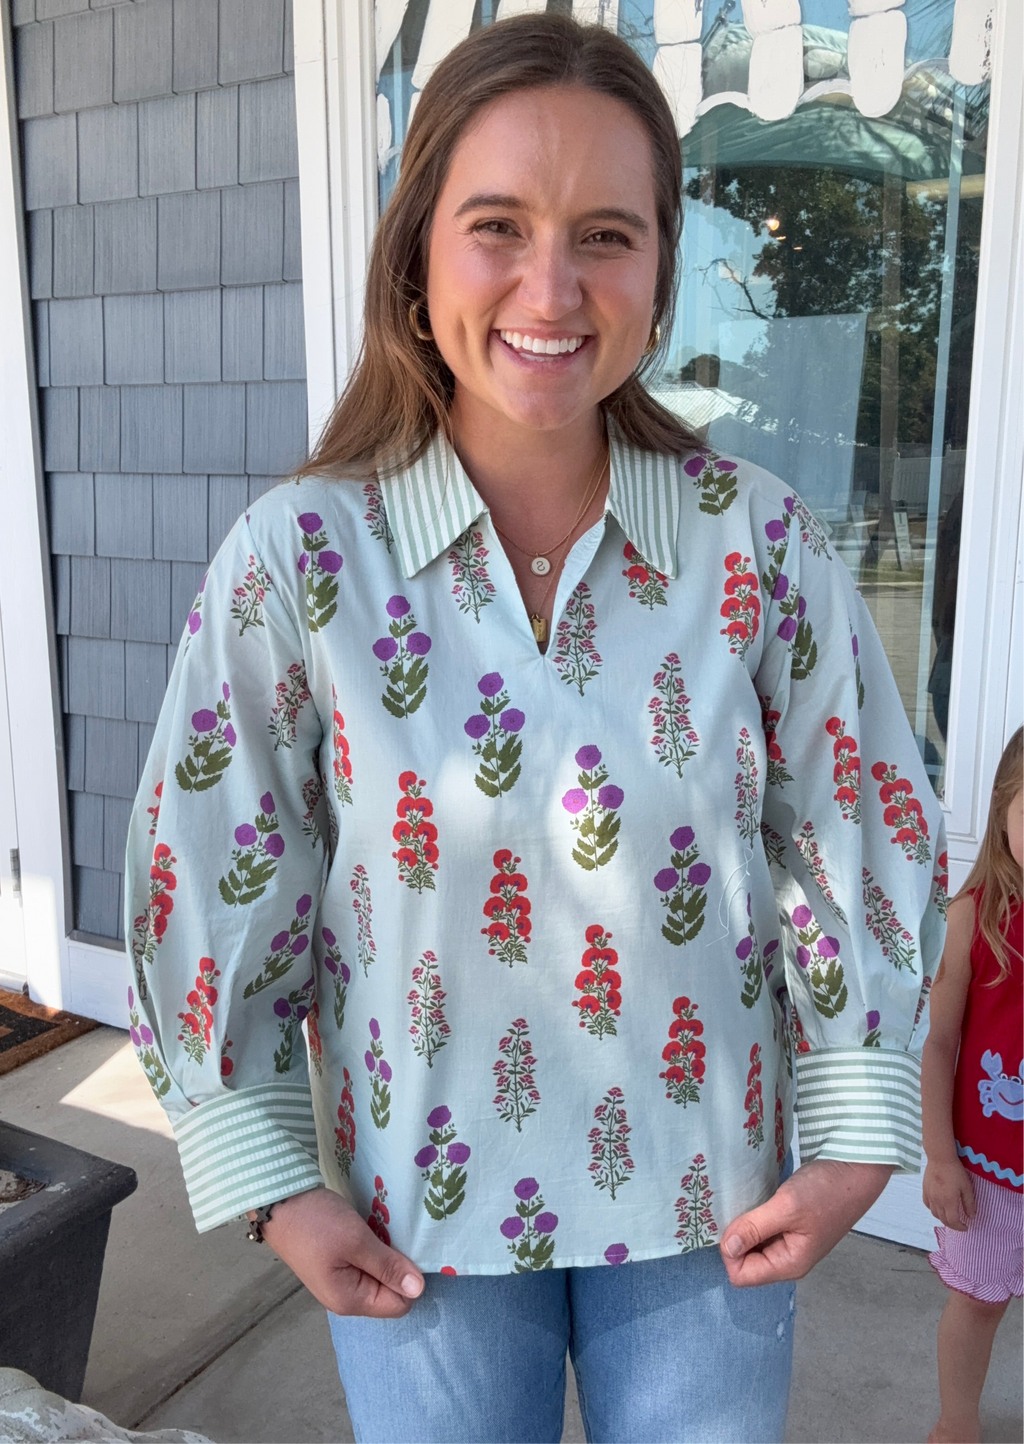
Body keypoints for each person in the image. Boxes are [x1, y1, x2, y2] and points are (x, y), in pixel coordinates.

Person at [124, 15, 946, 1444]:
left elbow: (848, 818)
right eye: (497, 223)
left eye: (607, 234)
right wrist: (270, 1178)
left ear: (663, 271)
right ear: (419, 251)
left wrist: (862, 1130)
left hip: (711, 1203)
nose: (551, 286)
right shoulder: (302, 559)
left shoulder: (756, 541)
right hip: (416, 1218)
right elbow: (218, 856)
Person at [922, 726, 1024, 1444]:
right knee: (977, 1302)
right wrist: (940, 1156)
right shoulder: (976, 914)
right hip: (990, 1173)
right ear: (1002, 809)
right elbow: (940, 1044)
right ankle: (957, 1425)